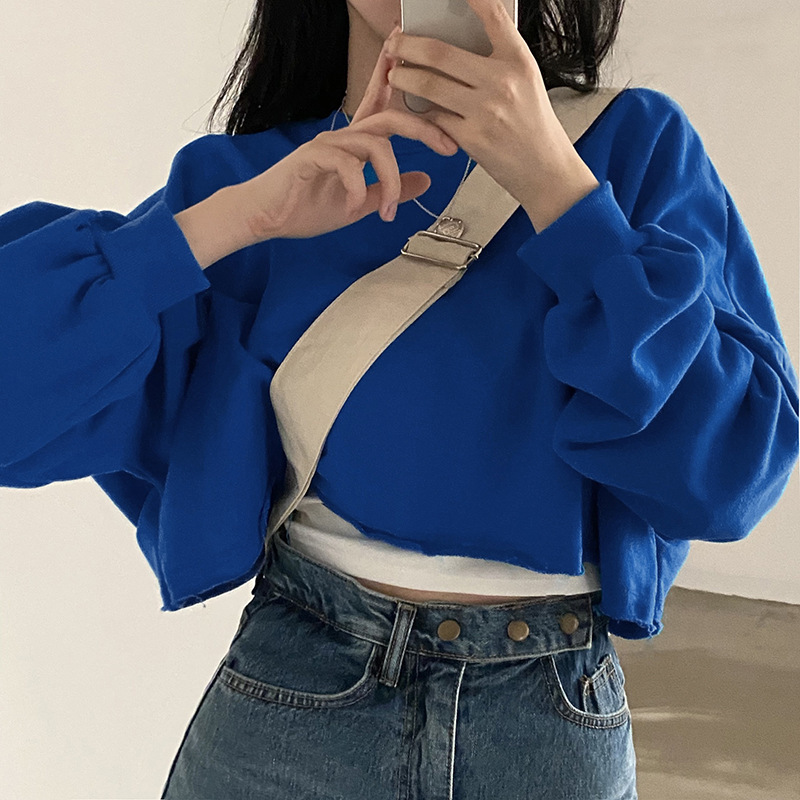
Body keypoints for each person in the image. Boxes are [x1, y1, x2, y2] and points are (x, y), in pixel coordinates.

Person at [1, 0, 797, 798]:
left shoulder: (634, 149)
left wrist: (558, 190)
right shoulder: (251, 181)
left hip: (545, 723)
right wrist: (231, 222)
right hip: (293, 698)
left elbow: (729, 478)